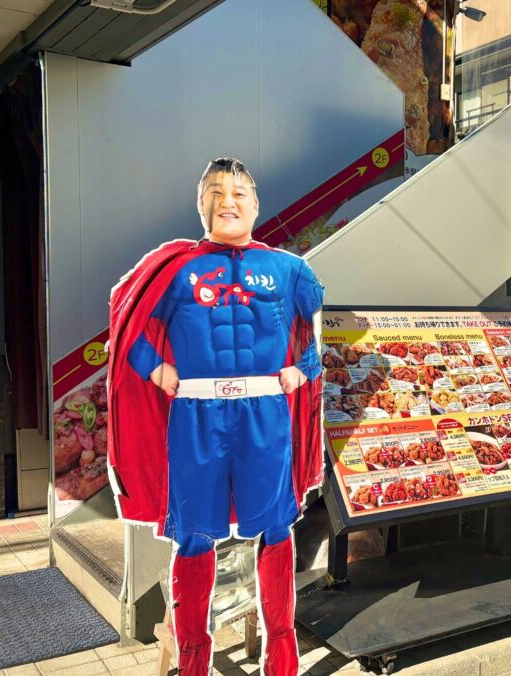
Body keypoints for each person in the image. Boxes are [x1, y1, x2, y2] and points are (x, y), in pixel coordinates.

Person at [107, 158, 325, 675]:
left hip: (265, 416)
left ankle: (282, 658)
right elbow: (126, 324)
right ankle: (193, 662)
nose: (227, 200)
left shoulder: (292, 270)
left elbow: (318, 338)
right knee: (194, 536)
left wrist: (301, 370)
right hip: (196, 417)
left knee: (275, 527)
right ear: (200, 203)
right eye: (215, 191)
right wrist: (158, 371)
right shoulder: (172, 267)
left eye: (238, 192)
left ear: (256, 205)